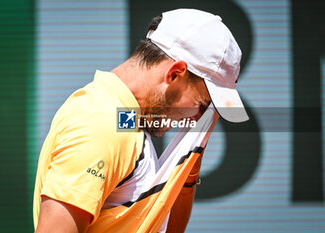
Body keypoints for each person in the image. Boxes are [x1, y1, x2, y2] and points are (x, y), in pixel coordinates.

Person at [33, 8, 249, 233]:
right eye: (201, 104)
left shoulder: (123, 118)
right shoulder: (102, 125)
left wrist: (190, 159)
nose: (197, 118)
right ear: (174, 74)